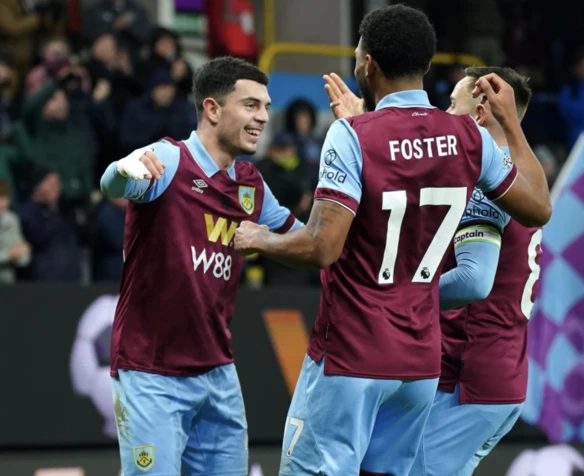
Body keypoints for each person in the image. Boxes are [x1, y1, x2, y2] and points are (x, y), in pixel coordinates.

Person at [234, 5, 551, 475]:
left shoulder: (351, 136)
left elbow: (322, 247)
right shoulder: (469, 138)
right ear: (426, 65)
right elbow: (539, 207)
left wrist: (263, 237)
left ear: (367, 64)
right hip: (421, 366)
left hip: (353, 351)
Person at [99, 56, 302, 476]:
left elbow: (306, 238)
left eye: (265, 107)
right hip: (151, 372)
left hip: (217, 374)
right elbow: (114, 183)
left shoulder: (251, 184)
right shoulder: (168, 160)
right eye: (250, 105)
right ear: (212, 109)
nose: (263, 117)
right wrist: (122, 169)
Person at [409, 67, 541, 476]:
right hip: (499, 377)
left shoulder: (490, 182)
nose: (446, 113)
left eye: (453, 104)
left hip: (472, 379)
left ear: (481, 112)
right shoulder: (523, 181)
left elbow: (473, 279)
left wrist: (402, 298)